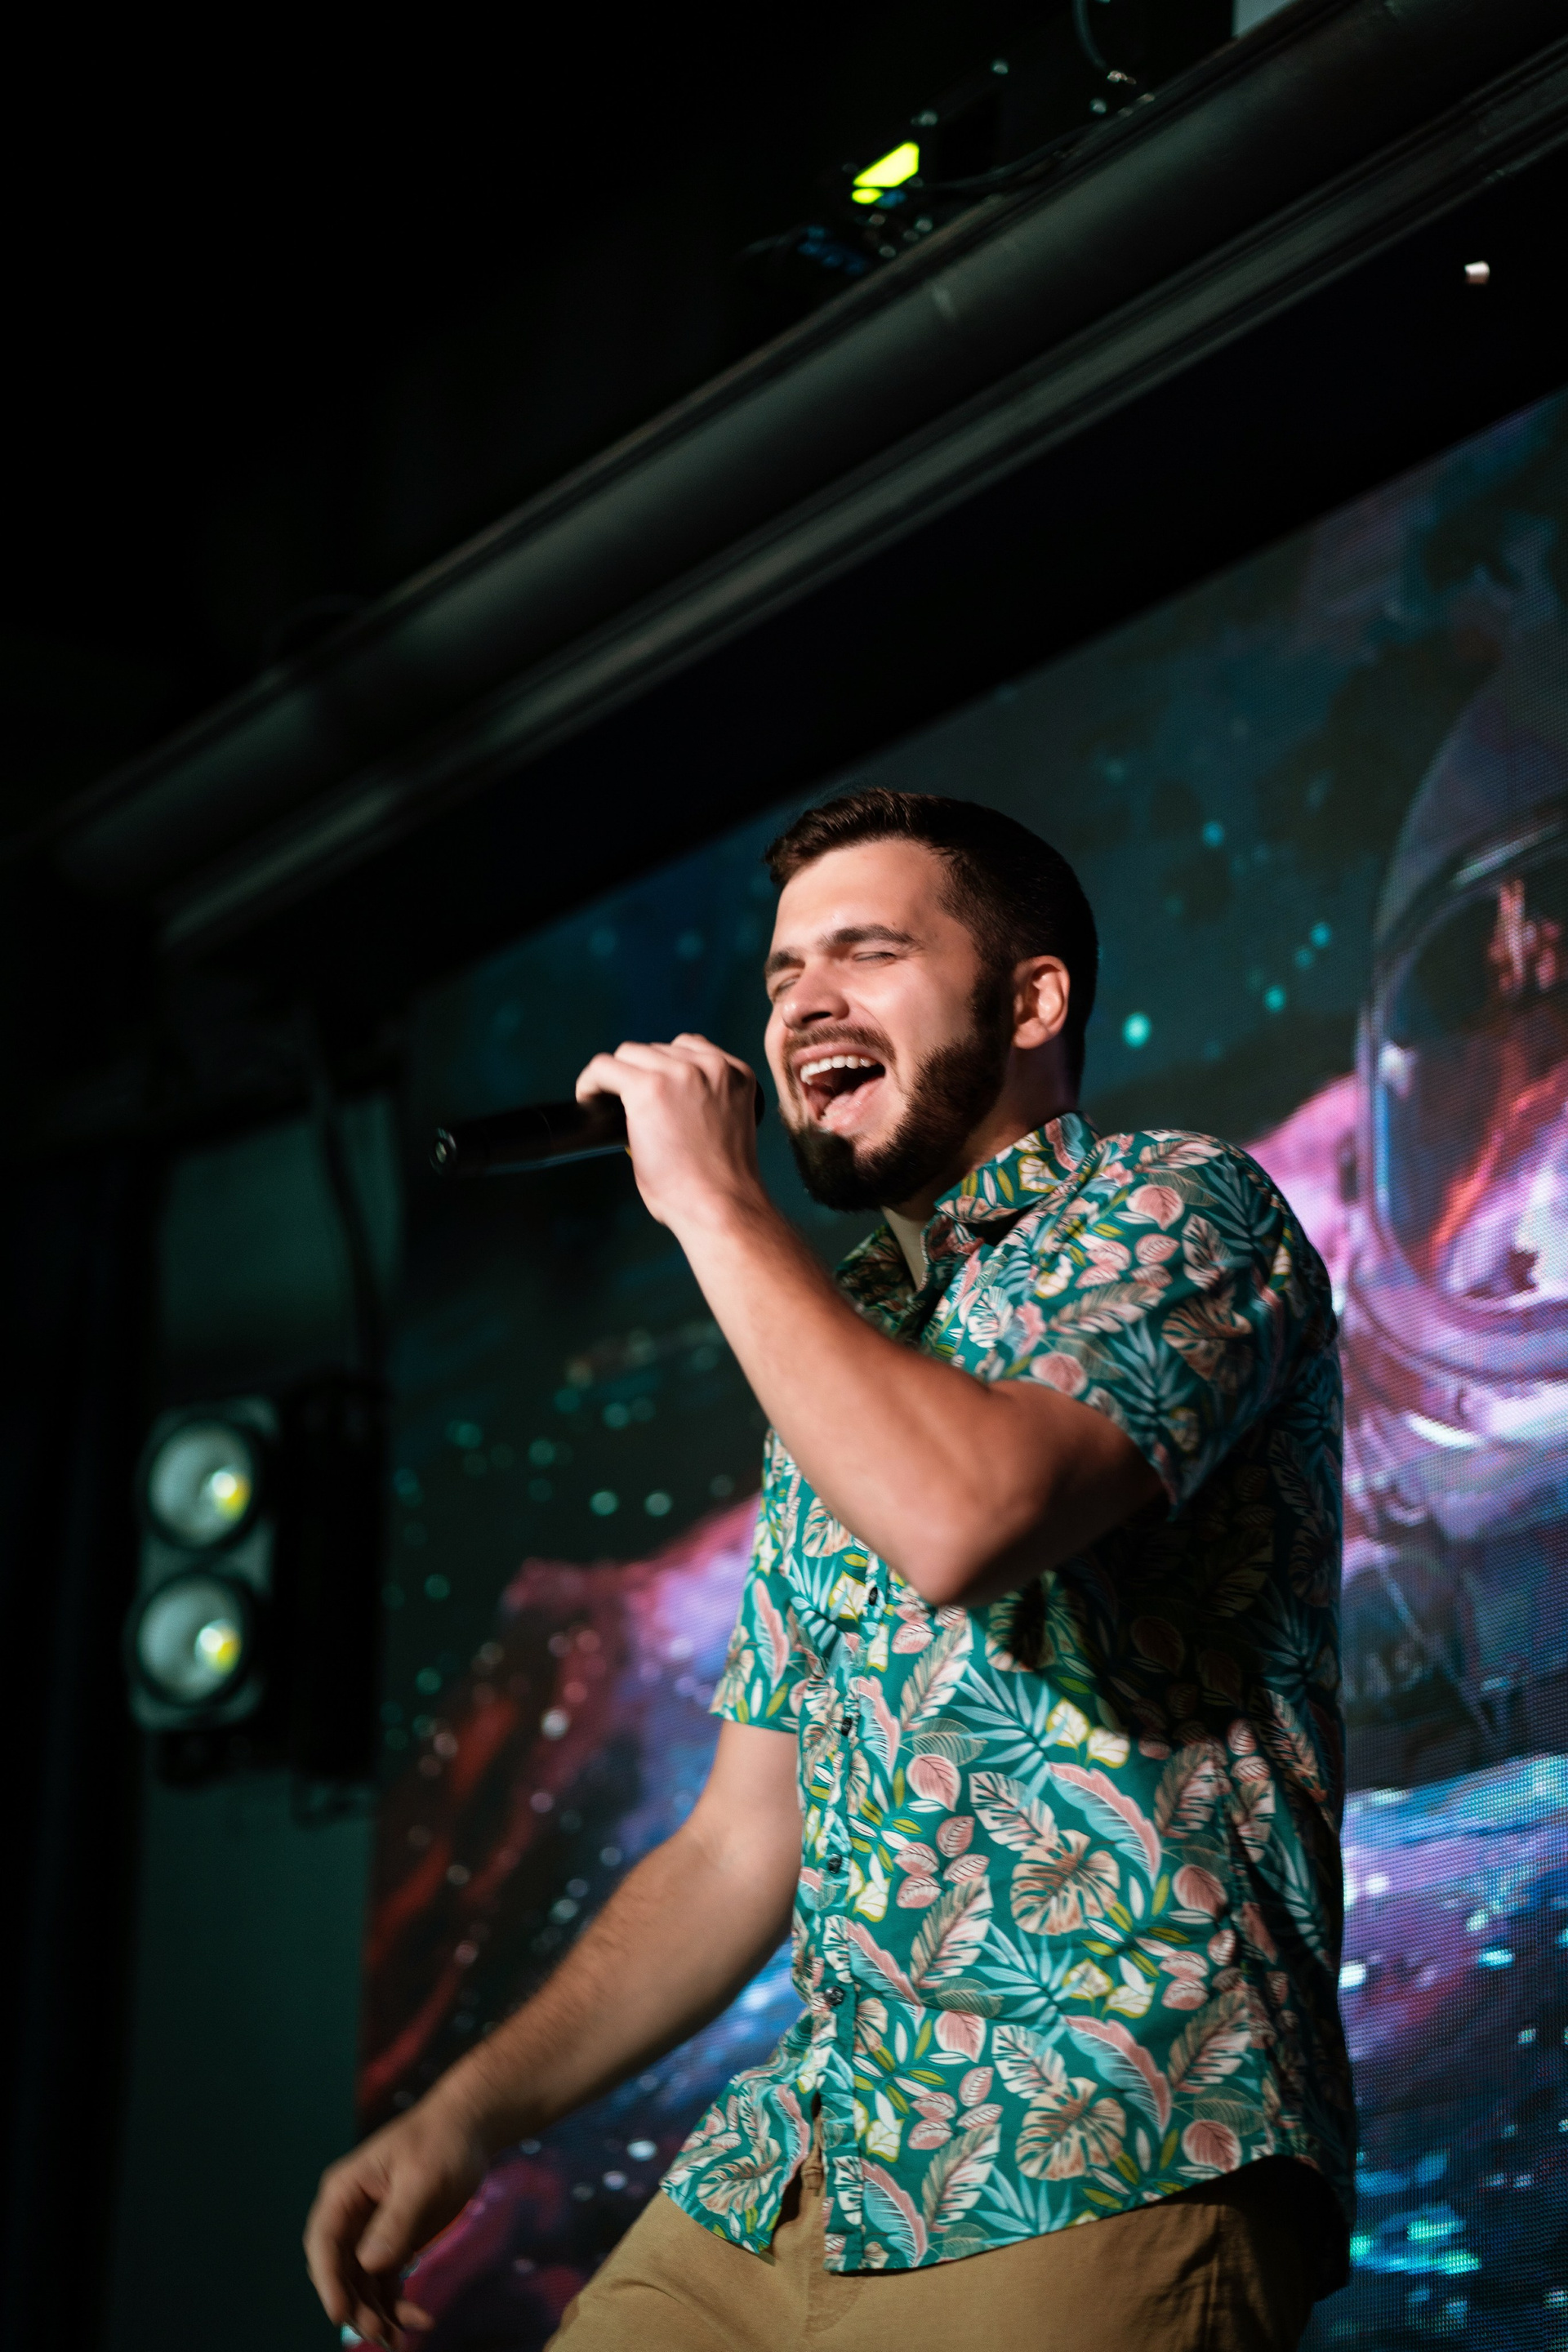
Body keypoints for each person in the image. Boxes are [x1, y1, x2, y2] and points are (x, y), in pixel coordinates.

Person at [306, 790, 1353, 2351]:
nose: (804, 1004)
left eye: (867, 954)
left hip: (1100, 2137)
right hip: (797, 2170)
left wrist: (711, 1201)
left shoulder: (1178, 1205)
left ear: (1032, 1001)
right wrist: (464, 2114)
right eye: (785, 973)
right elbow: (741, 1843)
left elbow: (968, 1515)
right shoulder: (845, 1347)